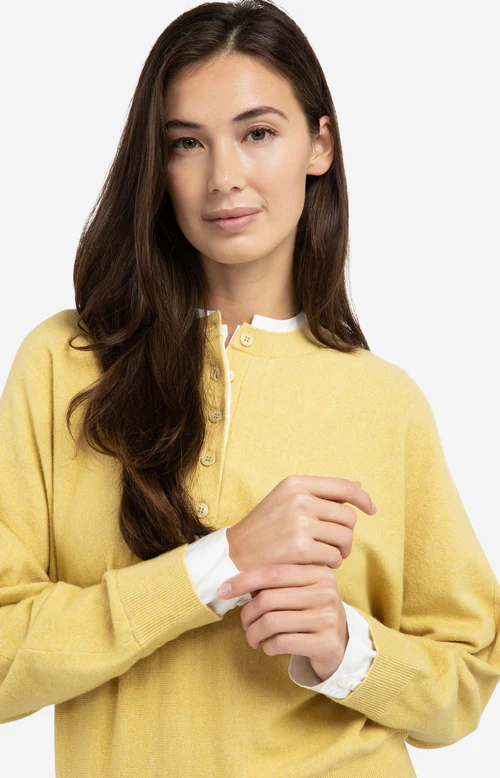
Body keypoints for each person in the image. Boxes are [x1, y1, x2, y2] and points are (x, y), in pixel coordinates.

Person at [1, 1, 499, 777]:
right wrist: (218, 565)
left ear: (319, 144)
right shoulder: (65, 365)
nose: (224, 177)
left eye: (257, 133)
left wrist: (347, 650)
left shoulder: (384, 401)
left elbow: (466, 681)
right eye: (186, 143)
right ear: (156, 165)